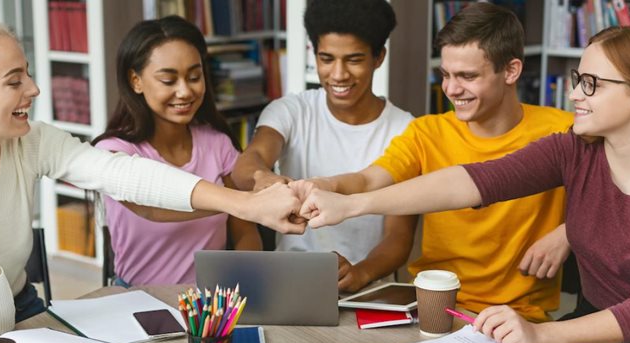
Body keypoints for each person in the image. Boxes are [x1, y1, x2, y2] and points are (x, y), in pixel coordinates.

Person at [300, 26, 630, 343]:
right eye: (578, 78)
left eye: (592, 84)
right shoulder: (575, 150)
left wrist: (538, 334)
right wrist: (352, 205)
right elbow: (472, 182)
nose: (575, 93)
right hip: (590, 317)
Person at [0, 20, 303, 343]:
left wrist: (246, 204)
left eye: (29, 74)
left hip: (24, 309)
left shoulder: (30, 142)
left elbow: (124, 174)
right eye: (15, 80)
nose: (34, 89)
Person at [291, 2, 573, 322]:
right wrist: (324, 185)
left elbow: (622, 196)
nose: (452, 89)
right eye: (446, 75)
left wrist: (568, 232)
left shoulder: (562, 131)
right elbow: (369, 179)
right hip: (433, 306)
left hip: (519, 316)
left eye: (467, 76)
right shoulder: (427, 132)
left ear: (511, 71)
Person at [231, 0, 417, 292]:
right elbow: (249, 161)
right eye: (326, 58)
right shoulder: (291, 110)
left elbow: (398, 237)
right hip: (290, 282)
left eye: (354, 59)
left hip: (369, 288)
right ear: (313, 54)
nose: (339, 74)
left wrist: (360, 273)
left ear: (378, 57)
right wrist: (264, 178)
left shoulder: (406, 129)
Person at [92, 16, 261, 287]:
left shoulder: (217, 143)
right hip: (138, 300)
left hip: (211, 305)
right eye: (168, 80)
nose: (185, 91)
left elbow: (245, 232)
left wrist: (241, 285)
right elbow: (154, 206)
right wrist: (237, 202)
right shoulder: (114, 154)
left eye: (194, 77)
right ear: (136, 81)